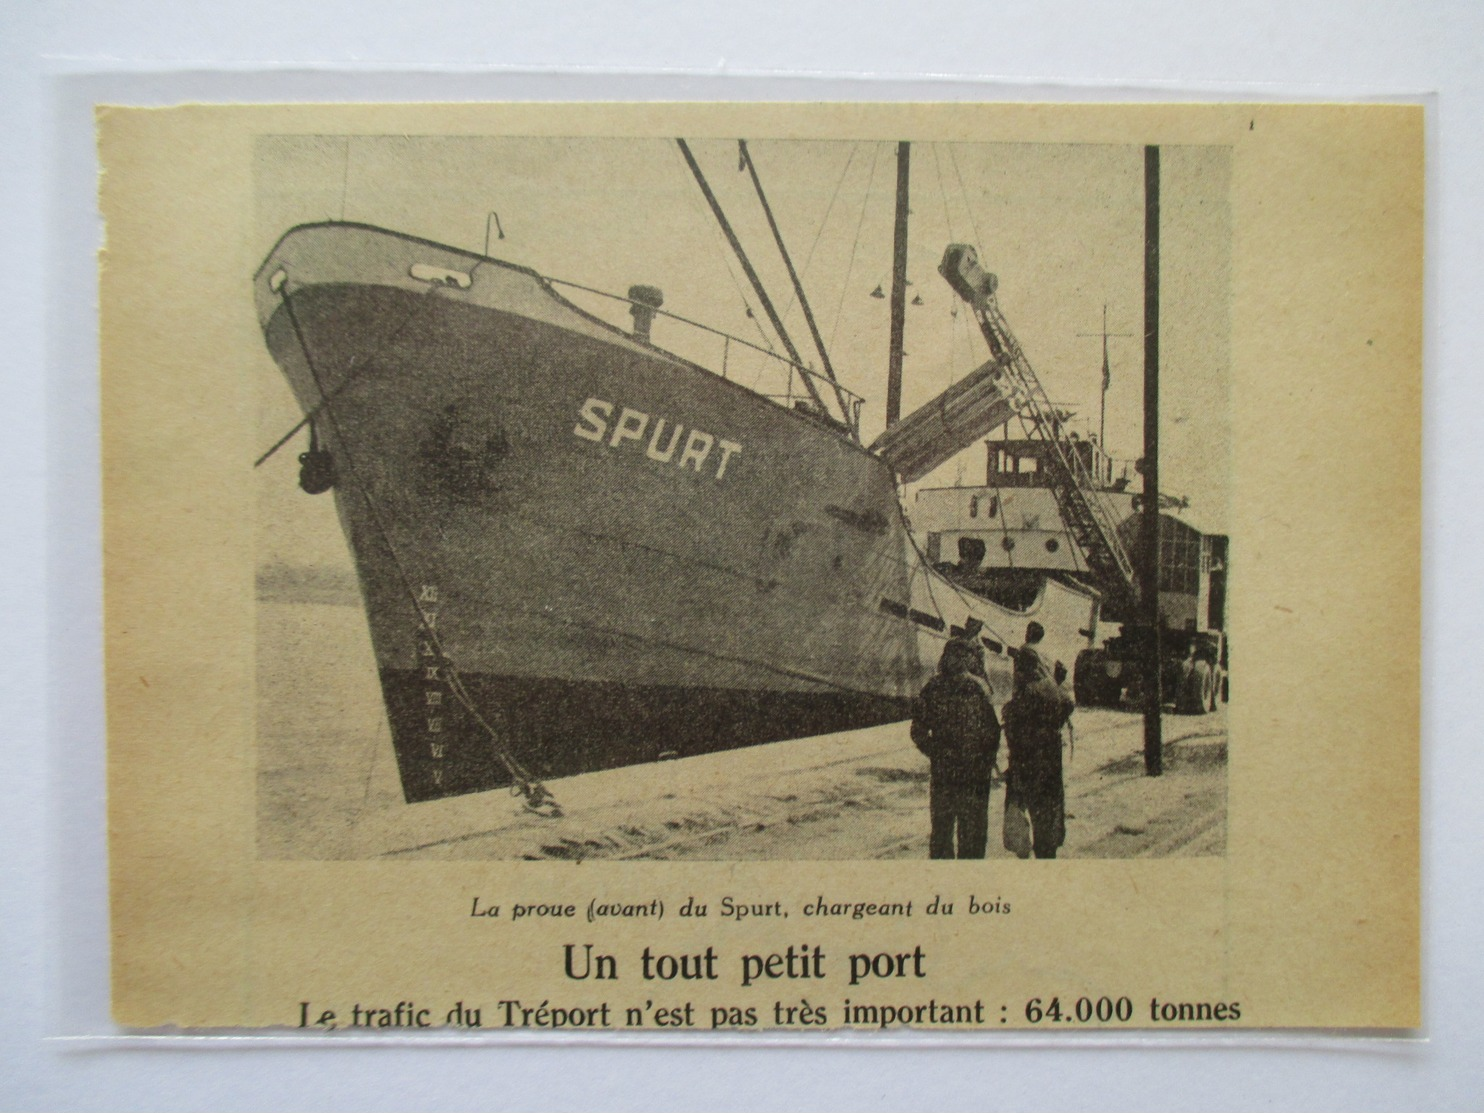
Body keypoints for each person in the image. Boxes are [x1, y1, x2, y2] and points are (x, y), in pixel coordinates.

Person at [911, 640, 1001, 859]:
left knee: (946, 832)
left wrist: (937, 753)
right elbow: (993, 732)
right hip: (969, 772)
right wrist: (984, 760)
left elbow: (918, 732)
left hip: (952, 771)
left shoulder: (936, 687)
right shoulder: (977, 687)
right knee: (967, 833)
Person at [1001, 668, 1075, 859]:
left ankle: (1024, 852)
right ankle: (1047, 853)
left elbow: (1010, 729)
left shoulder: (1018, 701)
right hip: (1049, 767)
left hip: (1023, 767)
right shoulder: (1054, 694)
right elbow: (1068, 703)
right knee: (1047, 818)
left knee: (1019, 813)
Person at [1013, 620, 1052, 693]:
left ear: (1030, 634)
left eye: (1027, 632)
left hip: (1027, 691)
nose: (1026, 634)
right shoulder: (1040, 652)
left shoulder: (1026, 650)